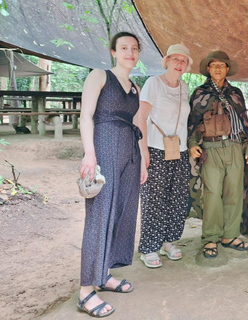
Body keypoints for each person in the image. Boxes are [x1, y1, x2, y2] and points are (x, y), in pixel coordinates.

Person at [78, 32, 145, 317]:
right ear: (113, 52)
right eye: (124, 48)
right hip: (104, 148)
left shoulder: (135, 88)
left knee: (122, 212)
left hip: (130, 153)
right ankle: (85, 291)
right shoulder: (99, 76)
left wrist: (142, 161)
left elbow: (137, 123)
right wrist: (89, 154)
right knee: (100, 214)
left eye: (134, 48)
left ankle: (104, 275)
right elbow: (85, 116)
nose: (130, 52)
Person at [188, 51, 248, 259]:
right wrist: (191, 143)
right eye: (213, 65)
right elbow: (192, 122)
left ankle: (230, 235)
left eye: (221, 65)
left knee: (234, 193)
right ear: (208, 69)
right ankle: (210, 237)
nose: (217, 69)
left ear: (227, 69)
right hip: (211, 148)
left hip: (235, 147)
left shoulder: (236, 93)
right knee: (212, 193)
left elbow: (243, 122)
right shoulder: (199, 93)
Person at [136, 44, 192, 268]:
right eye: (175, 59)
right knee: (154, 199)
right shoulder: (153, 83)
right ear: (167, 61)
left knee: (177, 198)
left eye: (183, 61)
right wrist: (143, 150)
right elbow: (140, 118)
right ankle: (149, 246)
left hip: (180, 149)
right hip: (156, 148)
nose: (179, 64)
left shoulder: (184, 87)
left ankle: (167, 241)